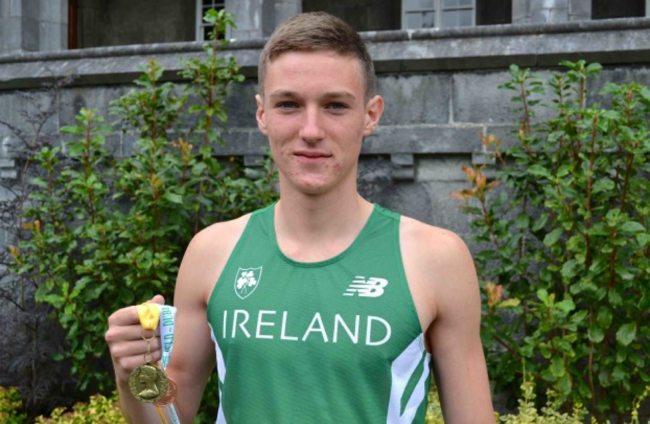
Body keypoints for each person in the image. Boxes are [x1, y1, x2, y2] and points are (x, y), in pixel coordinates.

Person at [105, 11, 495, 424]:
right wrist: (134, 374)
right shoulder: (212, 251)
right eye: (289, 104)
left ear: (371, 115)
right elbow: (173, 413)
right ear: (262, 114)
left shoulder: (435, 259)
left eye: (335, 105)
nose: (311, 130)